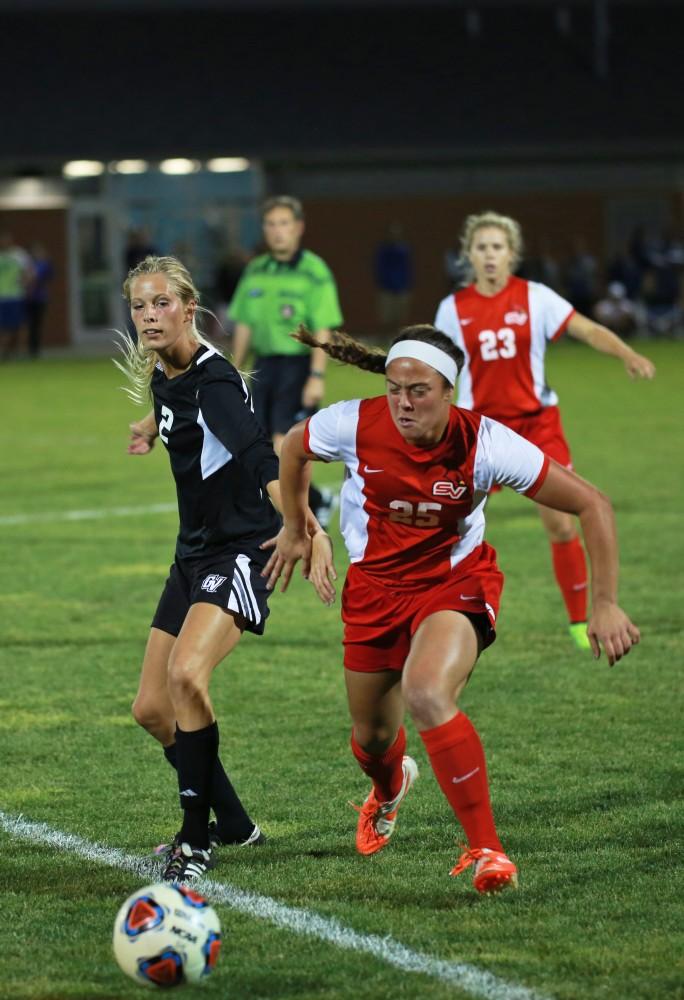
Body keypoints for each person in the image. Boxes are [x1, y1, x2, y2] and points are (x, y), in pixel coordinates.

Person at [265, 324, 640, 894]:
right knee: (370, 738)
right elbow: (293, 447)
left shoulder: (486, 443)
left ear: (450, 391)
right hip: (373, 590)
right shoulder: (354, 423)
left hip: (453, 585)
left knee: (426, 692)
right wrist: (297, 527)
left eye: (418, 391)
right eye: (394, 388)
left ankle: (487, 849)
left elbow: (593, 504)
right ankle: (389, 788)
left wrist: (605, 602)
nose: (403, 402)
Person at [116, 255, 319, 883]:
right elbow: (179, 408)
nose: (150, 315)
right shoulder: (166, 372)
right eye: (140, 306)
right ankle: (233, 825)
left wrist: (305, 528)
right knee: (151, 708)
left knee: (186, 677)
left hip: (241, 551)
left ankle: (194, 842)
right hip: (192, 553)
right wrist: (153, 426)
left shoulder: (216, 381)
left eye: (161, 304)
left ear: (189, 306)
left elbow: (263, 457)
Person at [434, 210, 655, 650]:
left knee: (559, 523)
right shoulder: (453, 308)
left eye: (498, 247)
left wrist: (626, 353)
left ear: (512, 254)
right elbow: (442, 369)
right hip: (479, 430)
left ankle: (578, 621)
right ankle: (436, 612)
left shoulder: (535, 297)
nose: (490, 255)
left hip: (536, 425)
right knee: (444, 523)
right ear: (469, 256)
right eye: (482, 248)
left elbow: (586, 328)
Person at [228, 195, 343, 527]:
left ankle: (303, 510)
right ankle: (316, 501)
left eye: (284, 224)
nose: (278, 231)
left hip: (297, 367)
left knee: (282, 445)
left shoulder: (314, 271)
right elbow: (245, 325)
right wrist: (235, 371)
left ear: (298, 228)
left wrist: (317, 375)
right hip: (262, 367)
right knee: (255, 446)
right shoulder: (255, 270)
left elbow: (323, 327)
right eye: (271, 224)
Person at [373, 222, 414, 332]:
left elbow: (408, 269)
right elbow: (379, 268)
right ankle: (387, 338)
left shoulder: (404, 249)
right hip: (386, 288)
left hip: (402, 287)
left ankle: (399, 338)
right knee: (386, 317)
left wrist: (407, 284)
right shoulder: (383, 250)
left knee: (400, 316)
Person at [0, 231, 32, 361]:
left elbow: (29, 273)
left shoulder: (19, 255)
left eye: (6, 239)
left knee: (19, 325)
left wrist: (25, 284)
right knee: (4, 327)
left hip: (15, 296)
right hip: (1, 297)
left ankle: (20, 352)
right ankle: (4, 352)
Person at [25, 242, 54, 359]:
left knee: (37, 324)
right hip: (29, 298)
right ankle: (31, 349)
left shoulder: (44, 264)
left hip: (40, 298)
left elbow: (40, 277)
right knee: (30, 324)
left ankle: (34, 350)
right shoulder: (29, 264)